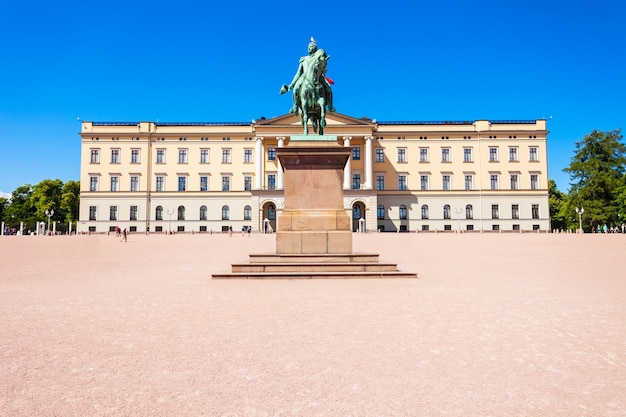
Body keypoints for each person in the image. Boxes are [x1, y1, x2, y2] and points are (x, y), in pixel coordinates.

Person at [280, 40, 334, 115]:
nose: (309, 48)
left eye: (311, 47)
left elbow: (322, 67)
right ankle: (295, 106)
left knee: (328, 88)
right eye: (308, 47)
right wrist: (291, 84)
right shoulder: (304, 59)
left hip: (317, 77)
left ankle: (331, 106)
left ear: (315, 49)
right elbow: (299, 72)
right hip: (304, 77)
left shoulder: (318, 58)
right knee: (296, 89)